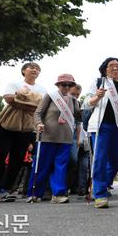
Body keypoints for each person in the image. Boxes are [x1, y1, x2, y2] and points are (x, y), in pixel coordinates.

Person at [0, 62, 46, 203]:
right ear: (23, 71)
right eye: (32, 67)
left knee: (17, 159)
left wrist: (22, 96)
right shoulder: (14, 83)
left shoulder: (43, 88)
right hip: (8, 124)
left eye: (37, 69)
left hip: (27, 127)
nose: (35, 70)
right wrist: (33, 100)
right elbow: (9, 99)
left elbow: (41, 106)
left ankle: (5, 189)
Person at [83, 57, 118, 208]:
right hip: (101, 126)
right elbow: (86, 103)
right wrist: (96, 97)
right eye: (111, 66)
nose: (115, 68)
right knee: (100, 158)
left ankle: (103, 183)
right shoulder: (99, 82)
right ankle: (99, 194)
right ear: (105, 69)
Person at [26, 74, 81, 203]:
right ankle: (34, 193)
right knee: (42, 166)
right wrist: (39, 123)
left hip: (66, 138)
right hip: (47, 136)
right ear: (58, 85)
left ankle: (58, 194)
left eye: (69, 85)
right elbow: (38, 113)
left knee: (60, 167)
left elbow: (78, 118)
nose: (66, 87)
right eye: (63, 84)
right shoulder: (50, 96)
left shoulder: (74, 101)